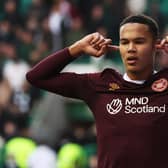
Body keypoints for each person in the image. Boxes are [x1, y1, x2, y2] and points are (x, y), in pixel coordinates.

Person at [26, 14, 168, 168]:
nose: (131, 49)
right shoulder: (100, 84)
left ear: (156, 45)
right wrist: (78, 48)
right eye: (125, 42)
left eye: (139, 42)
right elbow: (36, 77)